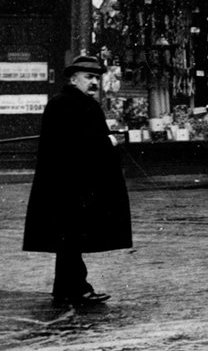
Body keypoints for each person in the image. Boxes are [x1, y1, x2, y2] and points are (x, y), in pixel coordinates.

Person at [21, 53, 130, 311]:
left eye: (96, 78)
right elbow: (85, 144)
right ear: (73, 78)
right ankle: (77, 288)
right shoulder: (76, 105)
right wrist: (111, 142)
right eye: (89, 77)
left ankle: (67, 289)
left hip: (64, 184)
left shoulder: (65, 102)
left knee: (68, 239)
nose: (94, 83)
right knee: (71, 238)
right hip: (73, 186)